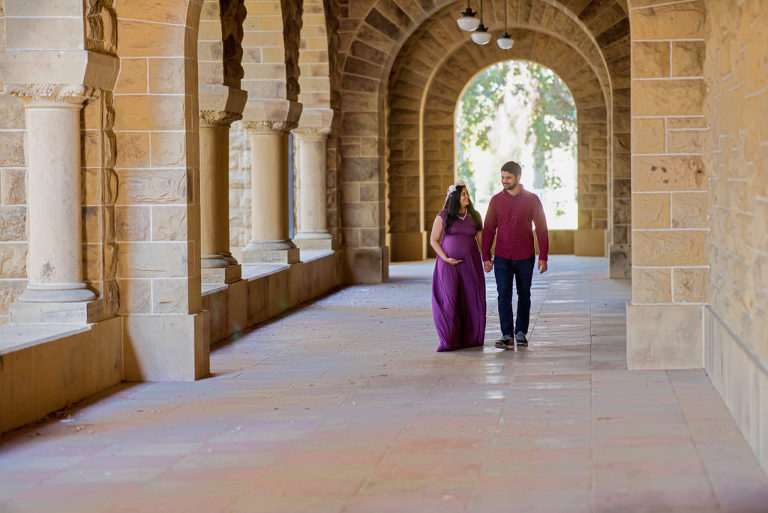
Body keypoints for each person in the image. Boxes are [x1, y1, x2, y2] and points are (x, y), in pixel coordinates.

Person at [482, 161, 549, 350]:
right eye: (502, 177)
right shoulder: (495, 201)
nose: (504, 181)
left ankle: (520, 333)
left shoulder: (532, 199)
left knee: (524, 294)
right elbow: (488, 229)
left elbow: (541, 228)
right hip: (502, 256)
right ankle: (506, 335)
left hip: (525, 256)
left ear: (518, 178)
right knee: (503, 295)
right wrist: (485, 256)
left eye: (508, 178)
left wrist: (543, 255)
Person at [430, 182, 486, 352]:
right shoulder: (443, 216)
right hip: (447, 266)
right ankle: (449, 340)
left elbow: (481, 242)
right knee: (450, 300)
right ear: (455, 198)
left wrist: (487, 259)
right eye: (463, 194)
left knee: (471, 299)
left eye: (467, 194)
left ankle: (471, 338)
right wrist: (445, 258)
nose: (467, 197)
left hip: (471, 264)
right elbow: (433, 240)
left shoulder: (475, 216)